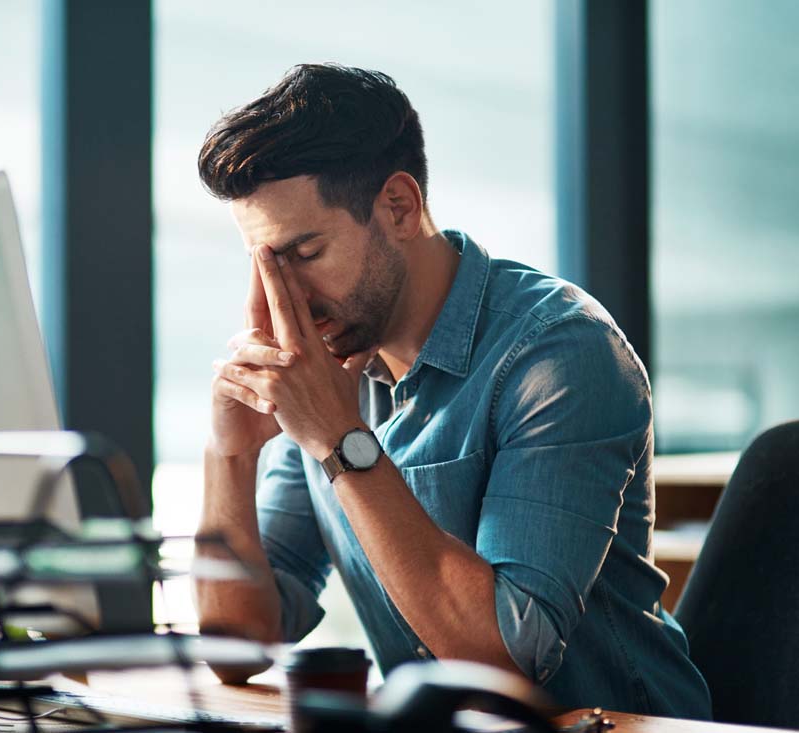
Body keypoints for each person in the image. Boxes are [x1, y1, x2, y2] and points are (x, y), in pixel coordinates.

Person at [191, 63, 711, 718]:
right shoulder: (329, 372)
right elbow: (239, 646)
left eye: (304, 254)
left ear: (399, 207)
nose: (285, 296)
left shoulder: (562, 354)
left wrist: (340, 440)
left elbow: (503, 661)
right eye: (265, 263)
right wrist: (230, 453)